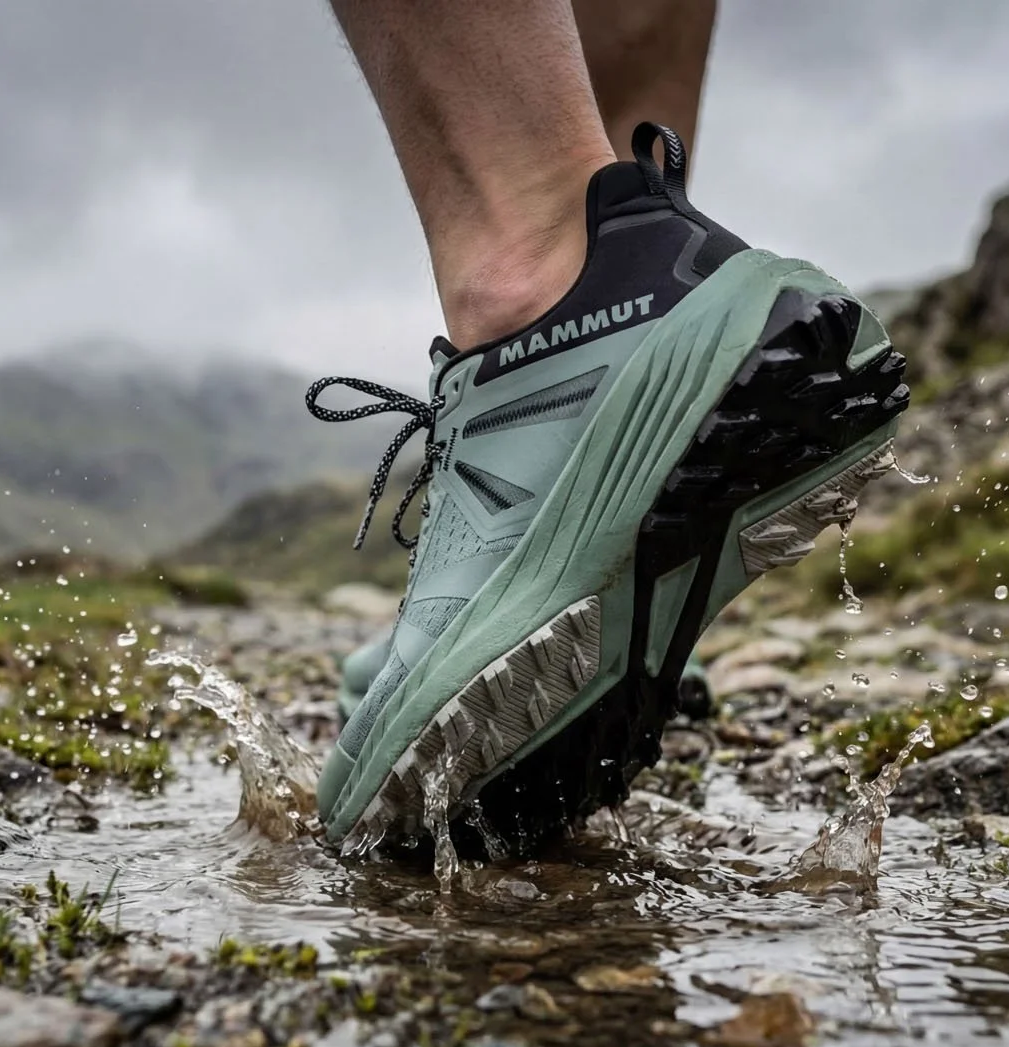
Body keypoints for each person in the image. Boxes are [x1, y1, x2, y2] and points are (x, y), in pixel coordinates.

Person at [310, 0, 909, 854]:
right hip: (649, 290)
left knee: (527, 236)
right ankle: (636, 290)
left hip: (562, 321)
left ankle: (535, 279)